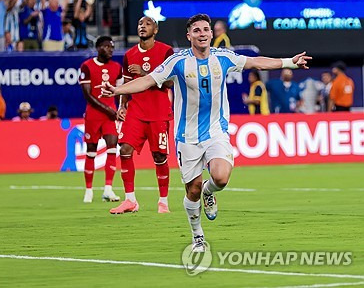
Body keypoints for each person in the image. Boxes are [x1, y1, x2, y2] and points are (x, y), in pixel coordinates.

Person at [98, 13, 311, 252]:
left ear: (211, 34)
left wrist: (289, 62)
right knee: (193, 190)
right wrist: (117, 91)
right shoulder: (177, 62)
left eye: (206, 30)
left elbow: (255, 62)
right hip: (186, 137)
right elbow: (147, 81)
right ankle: (197, 235)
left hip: (215, 132)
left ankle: (210, 193)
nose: (202, 34)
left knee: (220, 177)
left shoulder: (223, 57)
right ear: (189, 35)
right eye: (197, 30)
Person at [110, 16, 174, 215]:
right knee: (125, 150)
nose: (142, 27)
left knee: (159, 156)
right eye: (139, 24)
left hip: (158, 112)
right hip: (136, 111)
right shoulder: (129, 55)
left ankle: (163, 202)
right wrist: (122, 105)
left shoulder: (166, 52)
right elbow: (127, 85)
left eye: (147, 24)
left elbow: (171, 82)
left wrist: (146, 73)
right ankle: (130, 200)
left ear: (155, 30)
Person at [79, 36, 122, 203]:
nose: (110, 50)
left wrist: (118, 109)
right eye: (106, 47)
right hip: (94, 115)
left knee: (113, 148)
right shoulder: (87, 66)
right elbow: (88, 95)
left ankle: (108, 189)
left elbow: (120, 90)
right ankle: (88, 190)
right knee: (91, 151)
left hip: (110, 116)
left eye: (112, 47)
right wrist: (107, 110)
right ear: (98, 48)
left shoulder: (117, 67)